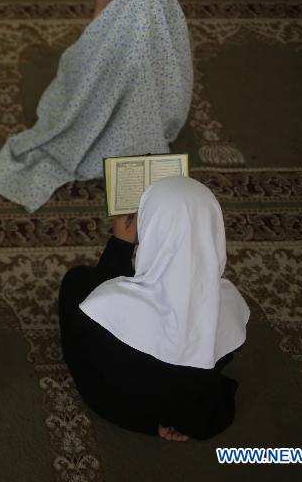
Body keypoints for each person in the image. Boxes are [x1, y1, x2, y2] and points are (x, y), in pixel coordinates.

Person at [0, 0, 193, 212]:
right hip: (146, 136)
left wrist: (101, 7)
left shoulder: (110, 49)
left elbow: (79, 69)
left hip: (95, 134)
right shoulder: (171, 47)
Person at [58, 176, 250, 441]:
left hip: (119, 404)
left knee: (76, 282)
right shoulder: (231, 307)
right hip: (183, 403)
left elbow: (96, 312)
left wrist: (120, 247)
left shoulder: (107, 308)